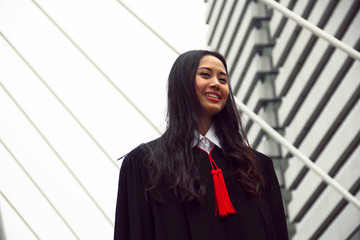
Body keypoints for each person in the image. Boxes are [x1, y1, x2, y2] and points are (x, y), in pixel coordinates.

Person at [114, 50, 288, 240]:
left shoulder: (257, 167)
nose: (216, 84)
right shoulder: (145, 163)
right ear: (182, 84)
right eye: (205, 75)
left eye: (223, 80)